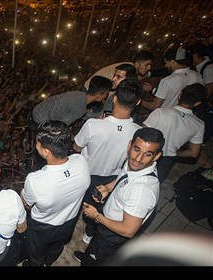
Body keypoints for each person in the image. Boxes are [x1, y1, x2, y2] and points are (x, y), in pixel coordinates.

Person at [73, 127, 164, 266]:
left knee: (97, 258)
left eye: (148, 154)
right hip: (107, 223)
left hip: (112, 236)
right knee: (94, 248)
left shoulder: (141, 191)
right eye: (137, 149)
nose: (138, 159)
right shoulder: (134, 165)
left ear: (157, 156)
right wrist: (108, 188)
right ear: (129, 145)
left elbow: (128, 231)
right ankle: (89, 255)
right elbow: (123, 176)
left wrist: (96, 216)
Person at [73, 78, 142, 244]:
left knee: (76, 203)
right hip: (110, 180)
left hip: (85, 174)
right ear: (138, 102)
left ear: (115, 99)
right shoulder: (138, 133)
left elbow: (76, 147)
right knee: (95, 206)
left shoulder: (93, 125)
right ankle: (89, 234)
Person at [21, 120, 90, 266]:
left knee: (35, 253)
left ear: (46, 151)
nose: (35, 146)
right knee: (57, 246)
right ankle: (49, 262)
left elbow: (27, 204)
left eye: (37, 143)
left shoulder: (35, 180)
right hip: (69, 222)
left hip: (42, 227)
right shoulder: (82, 161)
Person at [143, 83, 206, 182]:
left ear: (179, 95)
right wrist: (177, 153)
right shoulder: (199, 124)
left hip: (147, 152)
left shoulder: (160, 112)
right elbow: (194, 153)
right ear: (197, 103)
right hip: (168, 159)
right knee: (153, 184)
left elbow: (141, 133)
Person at [31, 76, 112, 127]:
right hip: (39, 120)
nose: (106, 96)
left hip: (37, 109)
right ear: (98, 96)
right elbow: (60, 126)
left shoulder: (78, 94)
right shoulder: (80, 109)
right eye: (106, 94)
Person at [83, 50, 155, 90]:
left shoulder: (132, 70)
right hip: (91, 90)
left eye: (150, 65)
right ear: (137, 63)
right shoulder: (125, 70)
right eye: (146, 65)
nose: (149, 68)